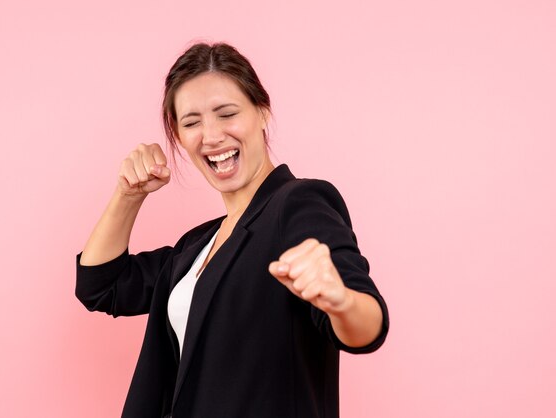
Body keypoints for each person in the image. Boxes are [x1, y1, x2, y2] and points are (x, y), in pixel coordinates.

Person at [75, 42, 389, 418]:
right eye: (191, 123)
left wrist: (340, 300)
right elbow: (99, 285)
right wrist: (128, 195)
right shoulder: (196, 246)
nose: (211, 136)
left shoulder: (298, 204)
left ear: (262, 112)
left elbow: (368, 325)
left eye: (226, 114)